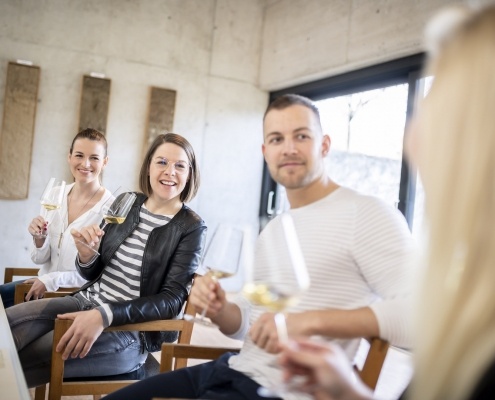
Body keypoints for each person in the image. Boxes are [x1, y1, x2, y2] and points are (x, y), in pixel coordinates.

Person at [105, 93, 416, 400]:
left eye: (302, 136)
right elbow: (245, 326)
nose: (289, 148)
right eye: (277, 139)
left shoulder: (367, 212)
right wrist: (220, 309)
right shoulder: (277, 228)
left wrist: (309, 320)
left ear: (324, 145)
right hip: (232, 371)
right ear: (266, 151)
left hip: (288, 389)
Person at [277, 4, 495, 400]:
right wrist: (347, 391)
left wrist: (311, 321)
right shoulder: (478, 312)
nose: (413, 141)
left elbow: (412, 315)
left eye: (439, 113)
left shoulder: (367, 214)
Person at [7, 133, 206, 387]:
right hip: (83, 302)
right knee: (6, 328)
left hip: (128, 333)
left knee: (23, 359)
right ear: (148, 167)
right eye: (162, 162)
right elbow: (92, 272)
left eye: (180, 165)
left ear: (190, 173)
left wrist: (105, 315)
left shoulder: (190, 227)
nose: (170, 172)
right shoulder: (128, 202)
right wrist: (87, 255)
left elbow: (171, 301)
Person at [0, 128, 112, 308]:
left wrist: (52, 280)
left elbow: (101, 274)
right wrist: (39, 239)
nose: (85, 163)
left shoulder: (111, 210)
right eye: (79, 155)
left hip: (77, 296)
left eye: (94, 158)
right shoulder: (54, 195)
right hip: (41, 286)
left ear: (105, 162)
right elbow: (39, 259)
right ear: (69, 157)